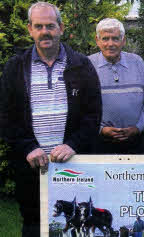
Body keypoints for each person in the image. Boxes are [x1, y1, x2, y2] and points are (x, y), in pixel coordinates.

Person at [0, 2, 102, 236]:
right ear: (30, 29)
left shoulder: (81, 65)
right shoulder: (15, 68)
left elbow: (93, 115)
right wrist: (28, 147)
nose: (45, 31)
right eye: (39, 26)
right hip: (31, 168)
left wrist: (73, 145)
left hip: (72, 166)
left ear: (61, 28)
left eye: (50, 25)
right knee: (34, 226)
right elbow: (6, 118)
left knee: (75, 224)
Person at [89, 18, 144, 154]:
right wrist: (101, 129)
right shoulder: (87, 65)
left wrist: (138, 127)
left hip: (135, 141)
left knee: (136, 176)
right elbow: (82, 107)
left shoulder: (137, 62)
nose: (110, 44)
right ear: (97, 41)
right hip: (100, 142)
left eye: (115, 38)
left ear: (123, 40)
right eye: (105, 39)